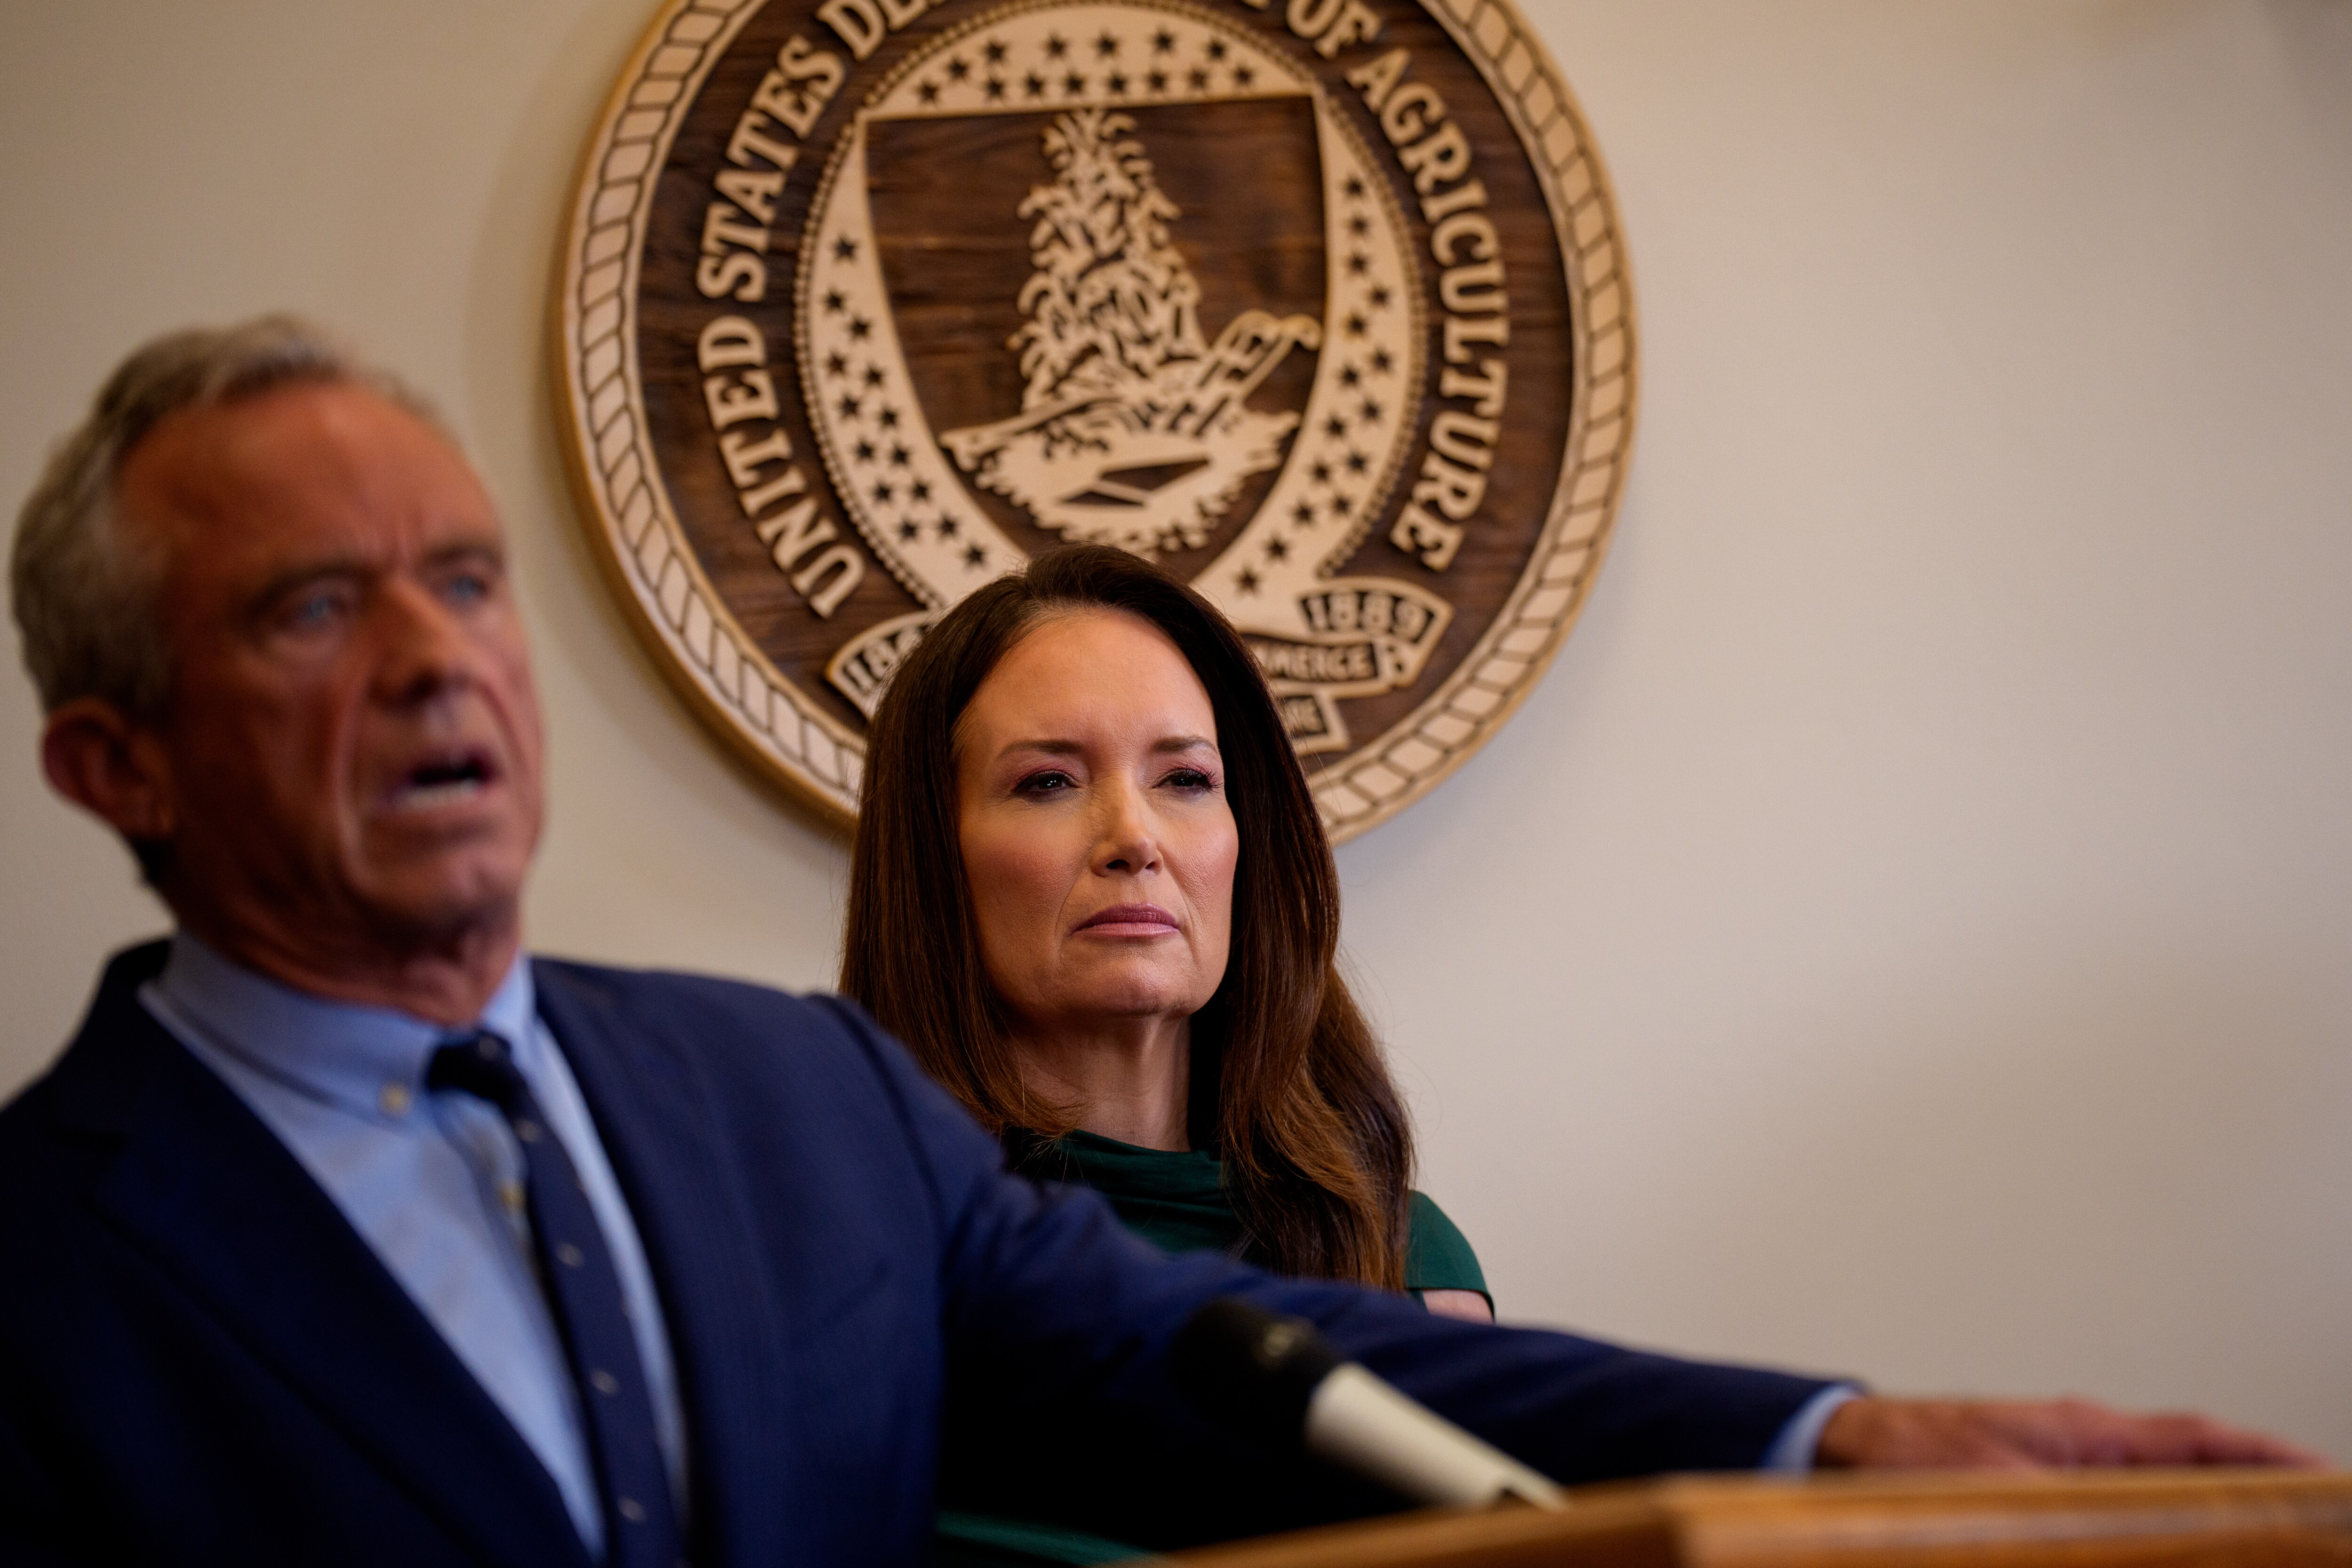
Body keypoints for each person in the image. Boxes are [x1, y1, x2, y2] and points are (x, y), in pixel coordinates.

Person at [0, 318, 2315, 1568]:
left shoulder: (788, 1108)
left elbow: (1262, 1364)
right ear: (116, 763)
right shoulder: (40, 1261)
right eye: (318, 608)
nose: (438, 660)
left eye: (468, 579)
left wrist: (1843, 1436)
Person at [842, 544, 1491, 1331]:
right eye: (1049, 781)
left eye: (1185, 780)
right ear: (932, 853)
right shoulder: (839, 1238)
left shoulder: (1402, 1259)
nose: (1135, 836)